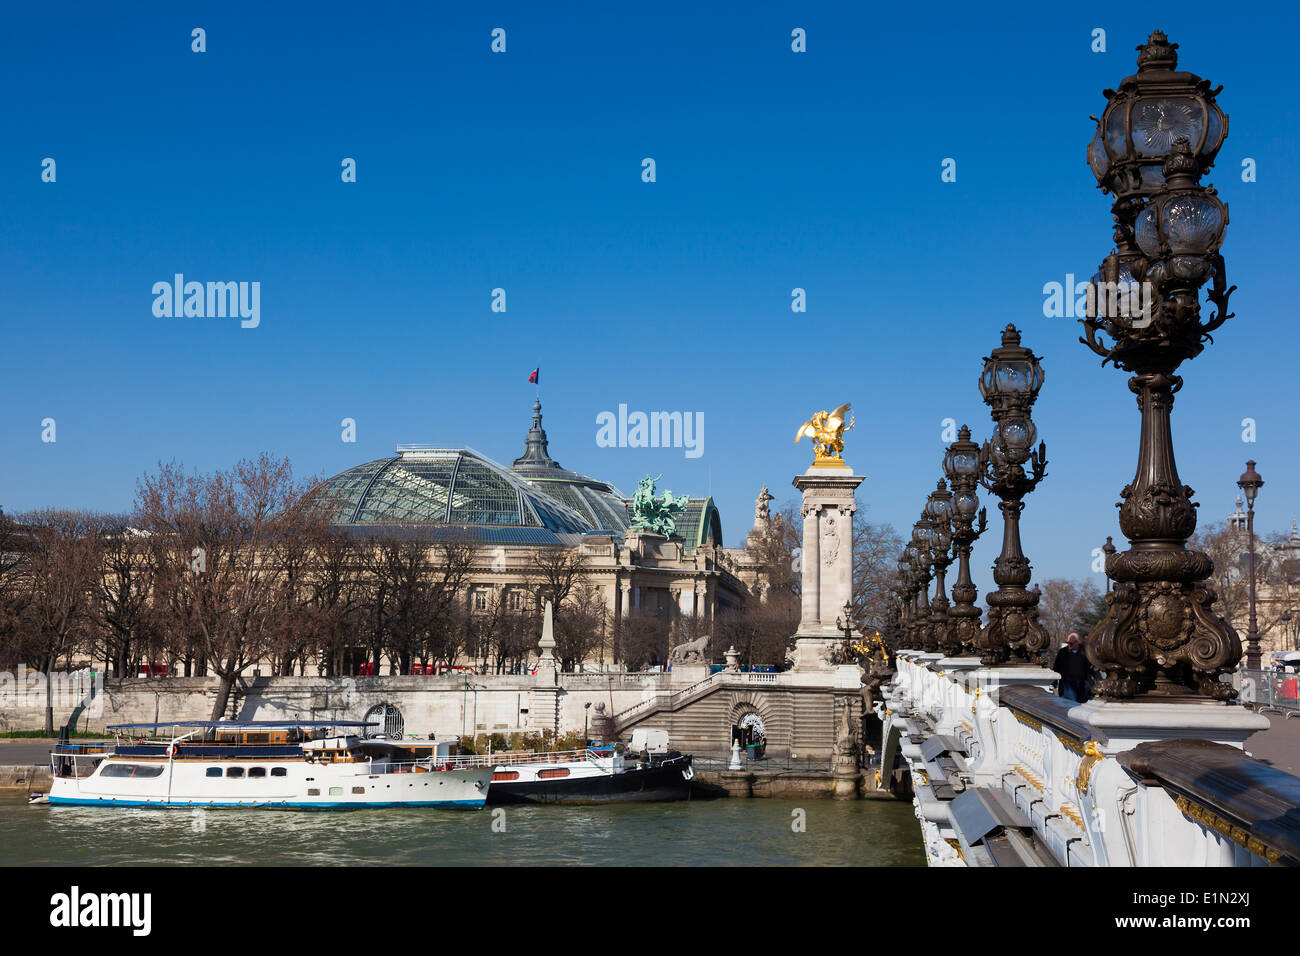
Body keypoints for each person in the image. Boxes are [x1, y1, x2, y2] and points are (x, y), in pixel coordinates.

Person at [1053, 632, 1093, 702]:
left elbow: (1090, 667)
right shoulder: (1062, 652)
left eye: (1071, 643)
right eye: (1068, 643)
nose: (1069, 645)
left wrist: (1091, 682)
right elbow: (1056, 667)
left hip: (1082, 685)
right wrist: (1054, 682)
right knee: (1070, 703)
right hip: (1067, 684)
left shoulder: (1085, 652)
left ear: (1078, 642)